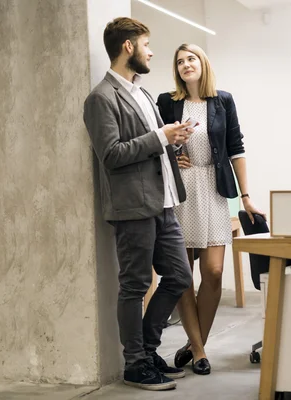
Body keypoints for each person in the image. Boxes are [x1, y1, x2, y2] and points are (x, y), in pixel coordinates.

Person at [83, 17, 195, 391]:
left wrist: (173, 139)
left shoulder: (143, 93)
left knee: (179, 276)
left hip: (164, 202)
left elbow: (153, 143)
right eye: (146, 45)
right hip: (132, 207)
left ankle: (146, 350)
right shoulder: (101, 98)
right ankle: (135, 364)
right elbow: (111, 155)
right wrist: (160, 136)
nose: (150, 52)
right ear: (128, 47)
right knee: (134, 285)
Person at [156, 44, 265, 375]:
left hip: (214, 191)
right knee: (182, 275)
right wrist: (173, 155)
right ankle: (201, 350)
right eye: (180, 61)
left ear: (203, 64)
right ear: (177, 70)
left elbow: (236, 148)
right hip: (180, 193)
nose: (186, 64)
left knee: (214, 272)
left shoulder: (223, 101)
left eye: (191, 59)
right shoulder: (167, 101)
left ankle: (192, 343)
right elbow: (156, 142)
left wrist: (246, 196)